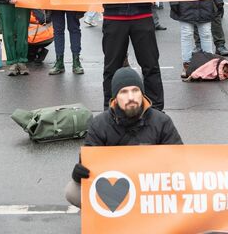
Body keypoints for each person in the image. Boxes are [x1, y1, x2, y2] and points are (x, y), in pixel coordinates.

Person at [65, 67, 182, 208]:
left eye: (135, 90)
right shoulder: (99, 124)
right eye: (124, 92)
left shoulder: (162, 121)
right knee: (73, 191)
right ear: (115, 98)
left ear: (142, 94)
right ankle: (107, 213)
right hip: (116, 189)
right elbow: (88, 164)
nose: (131, 97)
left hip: (152, 189)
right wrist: (79, 174)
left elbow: (179, 161)